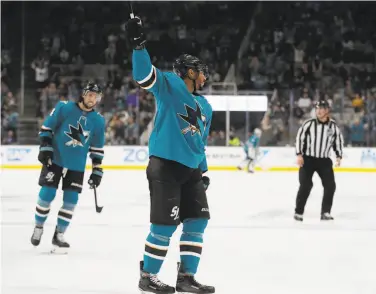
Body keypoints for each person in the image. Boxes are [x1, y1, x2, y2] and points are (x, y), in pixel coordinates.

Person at [126, 16, 215, 294]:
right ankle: (148, 276)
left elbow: (200, 143)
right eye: (199, 70)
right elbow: (143, 76)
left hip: (191, 171)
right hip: (165, 166)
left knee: (198, 220)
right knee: (164, 224)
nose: (204, 75)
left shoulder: (206, 106)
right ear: (188, 71)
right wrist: (138, 45)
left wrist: (203, 170)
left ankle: (186, 277)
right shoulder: (169, 84)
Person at [30, 82, 105, 253]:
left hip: (76, 166)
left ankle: (59, 234)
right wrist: (45, 148)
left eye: (97, 97)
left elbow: (97, 149)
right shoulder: (64, 108)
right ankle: (39, 227)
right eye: (91, 95)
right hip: (55, 160)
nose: (93, 99)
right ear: (84, 94)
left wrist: (97, 171)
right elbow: (47, 128)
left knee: (71, 201)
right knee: (46, 195)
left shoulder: (98, 121)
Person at [294, 100, 344, 221]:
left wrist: (338, 156)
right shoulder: (308, 124)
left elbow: (338, 141)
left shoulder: (333, 126)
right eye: (317, 108)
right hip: (308, 159)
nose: (318, 111)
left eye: (321, 108)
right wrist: (299, 155)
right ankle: (298, 212)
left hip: (324, 161)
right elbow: (300, 138)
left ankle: (325, 212)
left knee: (330, 186)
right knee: (306, 185)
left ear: (327, 110)